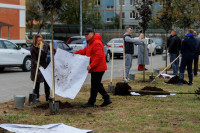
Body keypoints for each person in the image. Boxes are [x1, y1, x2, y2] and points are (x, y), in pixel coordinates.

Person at [74, 28, 112, 108]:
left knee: (95, 85)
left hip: (99, 68)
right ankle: (106, 98)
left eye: (87, 34)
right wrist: (75, 53)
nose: (85, 36)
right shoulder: (90, 43)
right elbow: (85, 51)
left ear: (92, 33)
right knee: (97, 84)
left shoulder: (96, 43)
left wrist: (91, 65)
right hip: (96, 68)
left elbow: (99, 57)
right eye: (85, 35)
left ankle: (92, 102)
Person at [30, 34, 50, 102]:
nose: (40, 42)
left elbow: (51, 48)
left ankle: (48, 97)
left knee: (47, 82)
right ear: (35, 41)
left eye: (41, 40)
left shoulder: (45, 45)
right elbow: (33, 59)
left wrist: (55, 50)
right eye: (38, 41)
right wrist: (39, 66)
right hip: (36, 67)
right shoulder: (33, 48)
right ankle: (36, 97)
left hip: (45, 65)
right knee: (37, 83)